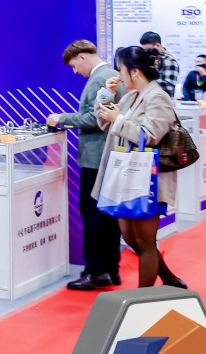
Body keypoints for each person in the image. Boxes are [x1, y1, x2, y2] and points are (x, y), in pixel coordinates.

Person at [96, 45, 186, 290]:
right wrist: (106, 95)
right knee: (132, 239)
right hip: (128, 175)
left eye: (121, 69)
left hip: (149, 178)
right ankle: (169, 278)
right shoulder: (130, 96)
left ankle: (142, 298)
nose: (118, 74)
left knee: (145, 242)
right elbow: (104, 124)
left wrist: (119, 119)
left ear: (134, 71)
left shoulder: (157, 97)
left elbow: (151, 135)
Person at [46, 40, 122, 291]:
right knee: (107, 215)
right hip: (106, 155)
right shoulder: (109, 74)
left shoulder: (101, 77)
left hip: (97, 157)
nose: (75, 71)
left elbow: (96, 117)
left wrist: (62, 118)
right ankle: (110, 269)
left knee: (93, 213)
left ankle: (96, 271)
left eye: (74, 65)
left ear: (82, 56)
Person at [139, 32, 179, 98]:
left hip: (162, 101)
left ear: (158, 45)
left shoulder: (169, 60)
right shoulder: (150, 58)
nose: (147, 52)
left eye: (148, 49)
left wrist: (146, 80)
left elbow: (169, 88)